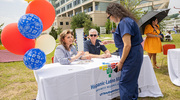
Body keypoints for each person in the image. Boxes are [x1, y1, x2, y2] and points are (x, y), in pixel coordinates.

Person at [103, 3, 143, 100]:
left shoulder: (124, 22)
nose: (110, 19)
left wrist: (121, 62)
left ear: (113, 13)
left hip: (131, 55)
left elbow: (127, 45)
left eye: (109, 17)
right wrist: (110, 41)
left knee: (125, 82)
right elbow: (127, 40)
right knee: (131, 80)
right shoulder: (128, 20)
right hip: (135, 52)